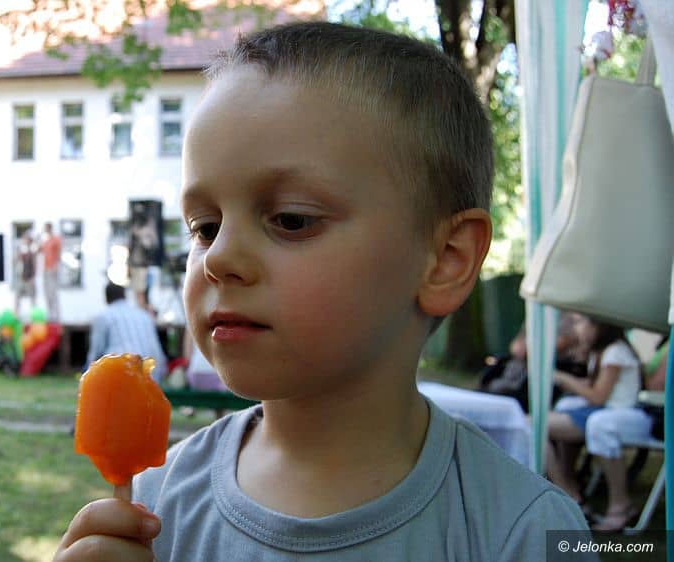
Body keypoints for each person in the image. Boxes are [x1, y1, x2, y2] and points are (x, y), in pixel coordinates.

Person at [54, 22, 587, 562]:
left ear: (446, 260)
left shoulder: (525, 533)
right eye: (205, 227)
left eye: (291, 219)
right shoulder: (154, 506)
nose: (216, 258)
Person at [545, 316, 642, 516]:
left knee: (533, 425)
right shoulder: (604, 351)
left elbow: (598, 396)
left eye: (580, 322)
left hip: (610, 413)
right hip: (600, 412)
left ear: (599, 325)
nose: (576, 328)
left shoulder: (615, 352)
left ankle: (567, 492)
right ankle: (568, 485)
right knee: (544, 418)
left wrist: (565, 379)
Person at [581, 338, 668, 531]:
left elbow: (657, 385)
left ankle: (620, 505)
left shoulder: (668, 346)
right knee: (597, 422)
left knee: (600, 424)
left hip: (660, 418)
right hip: (652, 412)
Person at [86, 282, 169, 381]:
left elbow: (96, 352)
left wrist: (87, 375)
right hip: (151, 375)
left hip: (121, 376)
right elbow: (157, 351)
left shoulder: (103, 316)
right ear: (125, 295)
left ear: (106, 298)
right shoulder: (144, 315)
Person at [39, 222, 61, 322]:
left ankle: (56, 315)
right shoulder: (45, 241)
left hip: (52, 269)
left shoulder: (56, 239)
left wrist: (56, 266)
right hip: (45, 269)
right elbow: (39, 250)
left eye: (46, 228)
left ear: (49, 228)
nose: (45, 230)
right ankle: (50, 314)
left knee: (53, 292)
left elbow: (59, 252)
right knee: (47, 293)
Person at [14, 232, 37, 318]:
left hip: (29, 278)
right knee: (17, 298)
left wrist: (32, 276)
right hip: (20, 278)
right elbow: (15, 262)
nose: (25, 241)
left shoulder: (32, 250)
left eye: (27, 239)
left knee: (32, 298)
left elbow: (34, 264)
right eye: (24, 239)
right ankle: (16, 316)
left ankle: (34, 316)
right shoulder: (20, 250)